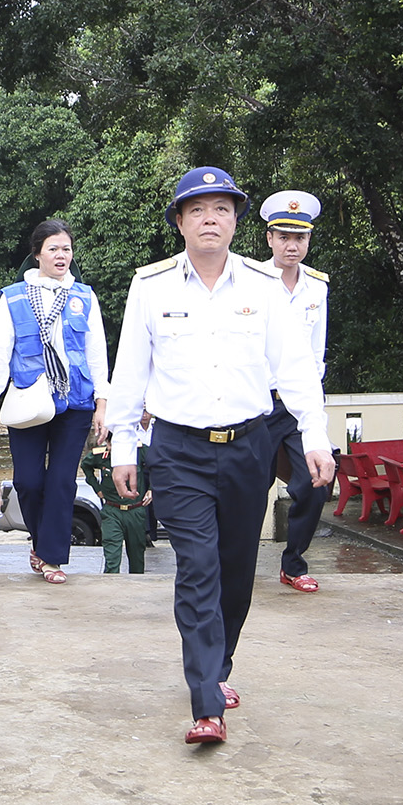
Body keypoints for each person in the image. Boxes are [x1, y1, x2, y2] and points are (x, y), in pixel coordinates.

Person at [106, 166, 335, 746]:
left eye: (222, 210)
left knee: (235, 570)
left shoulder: (262, 286)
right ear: (180, 222)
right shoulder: (151, 287)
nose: (210, 219)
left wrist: (314, 437)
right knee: (198, 568)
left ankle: (220, 662)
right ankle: (206, 702)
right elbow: (130, 370)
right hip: (177, 450)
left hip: (248, 447)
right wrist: (123, 446)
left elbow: (295, 368)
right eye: (198, 210)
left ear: (236, 222)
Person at [0, 219, 111, 584]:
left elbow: (96, 353)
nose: (61, 255)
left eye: (66, 249)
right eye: (53, 248)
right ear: (37, 253)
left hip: (75, 401)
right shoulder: (13, 297)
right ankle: (41, 543)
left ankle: (52, 558)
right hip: (29, 399)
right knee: (28, 482)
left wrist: (102, 402)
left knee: (61, 482)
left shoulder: (84, 297)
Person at [258, 190, 334, 594]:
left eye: (300, 237)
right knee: (250, 492)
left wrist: (313, 411)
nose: (292, 245)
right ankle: (234, 568)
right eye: (284, 237)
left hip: (297, 405)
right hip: (258, 404)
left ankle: (293, 563)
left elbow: (316, 354)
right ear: (270, 238)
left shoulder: (316, 287)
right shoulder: (251, 282)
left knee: (314, 483)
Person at [81, 441, 151, 574]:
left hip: (135, 511)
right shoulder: (101, 455)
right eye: (111, 444)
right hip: (112, 511)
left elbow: (158, 465)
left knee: (137, 558)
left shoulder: (139, 451)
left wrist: (152, 489)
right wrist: (97, 488)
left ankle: (136, 586)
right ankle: (110, 585)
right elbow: (85, 465)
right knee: (112, 557)